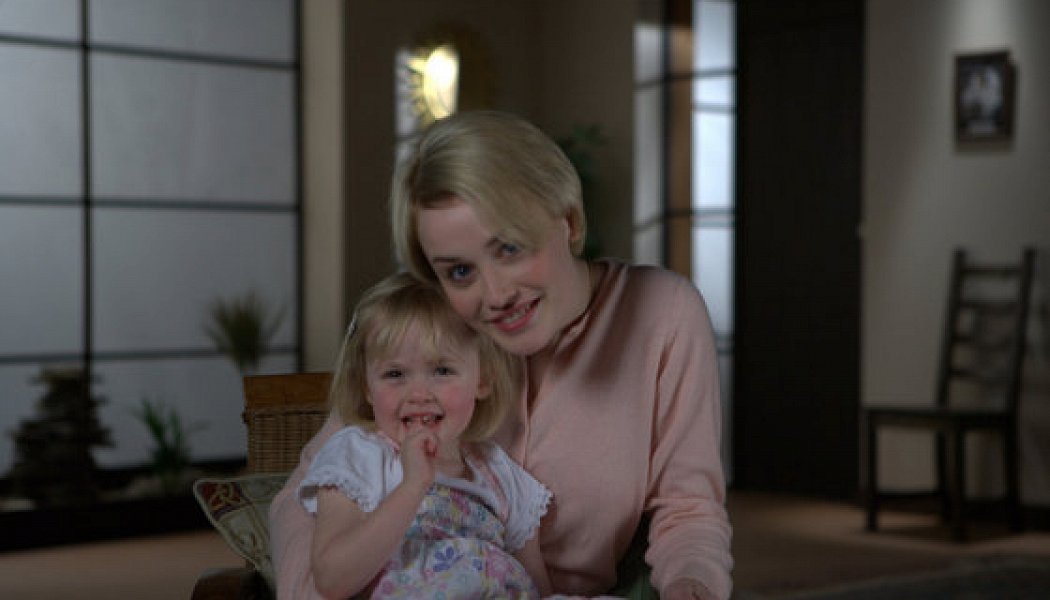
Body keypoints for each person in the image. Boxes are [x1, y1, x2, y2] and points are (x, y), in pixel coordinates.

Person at [271, 110, 733, 600]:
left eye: (510, 248)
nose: (495, 296)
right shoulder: (428, 329)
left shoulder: (665, 313)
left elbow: (689, 509)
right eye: (459, 272)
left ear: (569, 222)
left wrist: (692, 586)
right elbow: (302, 500)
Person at [299, 272, 553, 599]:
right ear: (367, 388)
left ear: (483, 379)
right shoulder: (358, 455)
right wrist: (412, 486)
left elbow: (540, 588)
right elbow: (332, 578)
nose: (419, 394)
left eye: (442, 371)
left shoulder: (500, 474)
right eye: (395, 374)